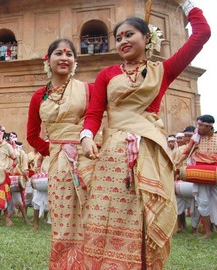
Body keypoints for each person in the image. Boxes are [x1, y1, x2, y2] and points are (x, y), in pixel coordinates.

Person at [80, 1, 210, 268]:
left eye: (129, 35)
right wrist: (86, 136)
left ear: (146, 38)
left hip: (148, 152)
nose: (123, 41)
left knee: (142, 214)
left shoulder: (162, 72)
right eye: (118, 38)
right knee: (108, 213)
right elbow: (94, 113)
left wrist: (184, 3)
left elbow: (202, 34)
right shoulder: (107, 75)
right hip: (113, 155)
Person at [26, 38, 95, 268]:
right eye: (58, 53)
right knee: (63, 217)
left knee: (91, 214)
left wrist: (84, 143)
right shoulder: (39, 96)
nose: (64, 58)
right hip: (58, 162)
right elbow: (32, 135)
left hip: (87, 157)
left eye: (69, 54)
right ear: (48, 59)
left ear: (75, 61)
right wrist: (55, 149)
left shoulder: (88, 89)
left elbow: (98, 119)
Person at [177, 115, 217, 238]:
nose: (197, 127)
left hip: (215, 173)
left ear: (209, 127)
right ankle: (207, 232)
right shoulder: (196, 138)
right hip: (199, 174)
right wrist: (175, 165)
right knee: (203, 201)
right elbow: (186, 153)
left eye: (200, 125)